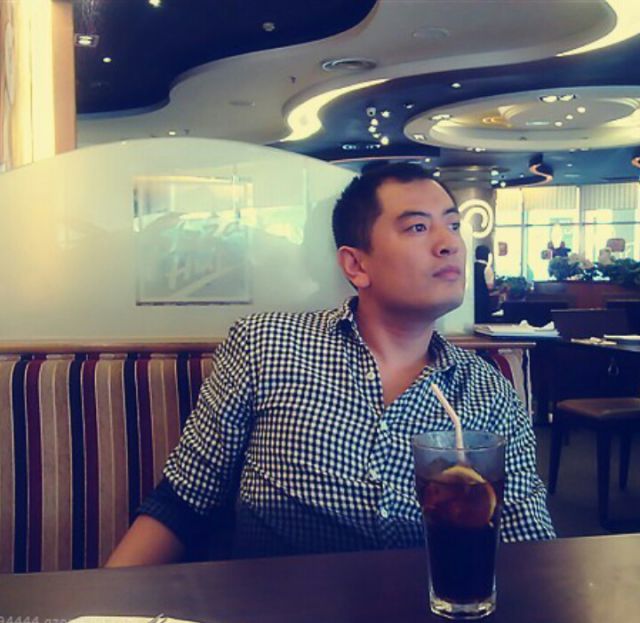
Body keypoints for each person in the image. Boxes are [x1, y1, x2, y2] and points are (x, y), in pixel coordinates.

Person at [106, 163, 555, 568]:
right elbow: (185, 499)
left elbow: (527, 540)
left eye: (453, 226)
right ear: (356, 265)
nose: (449, 244)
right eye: (418, 227)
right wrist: (101, 613)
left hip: (434, 616)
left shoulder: (489, 390)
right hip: (278, 614)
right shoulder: (267, 345)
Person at [474, 245, 495, 323]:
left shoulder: (472, 267)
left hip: (472, 300)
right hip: (483, 299)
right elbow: (490, 287)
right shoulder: (487, 269)